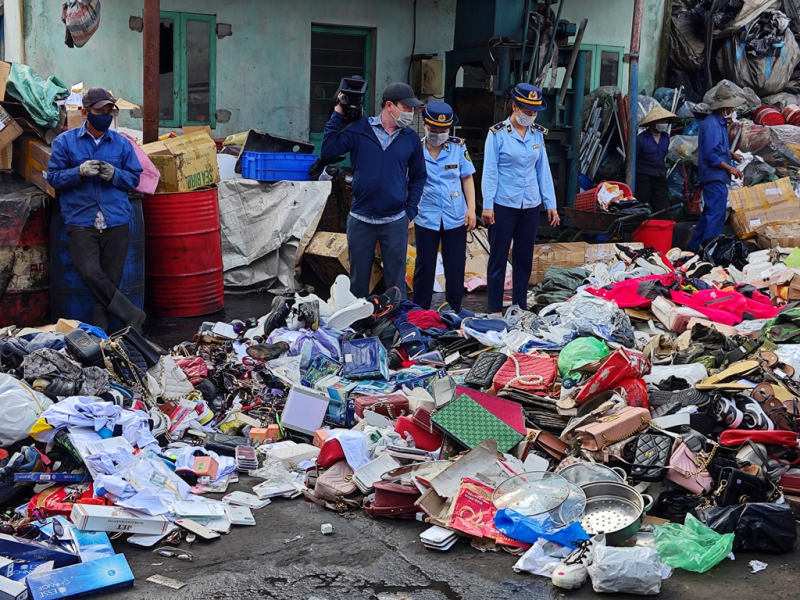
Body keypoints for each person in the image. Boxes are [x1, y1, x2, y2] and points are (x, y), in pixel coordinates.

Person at [47, 87, 145, 332]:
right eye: (100, 111)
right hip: (81, 221)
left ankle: (101, 340)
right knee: (91, 274)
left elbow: (134, 178)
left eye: (109, 112)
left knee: (108, 282)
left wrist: (115, 174)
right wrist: (78, 172)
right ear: (85, 113)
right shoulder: (65, 142)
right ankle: (132, 314)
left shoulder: (122, 144)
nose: (106, 116)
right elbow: (54, 178)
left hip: (116, 220)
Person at [320, 82, 426, 299]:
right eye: (406, 108)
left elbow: (418, 176)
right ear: (389, 106)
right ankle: (359, 319)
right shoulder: (360, 130)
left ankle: (396, 318)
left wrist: (410, 211)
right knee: (358, 283)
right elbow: (328, 151)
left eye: (412, 108)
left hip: (395, 220)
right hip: (361, 219)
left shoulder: (410, 138)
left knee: (396, 285)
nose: (411, 112)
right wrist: (338, 113)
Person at [482, 83, 559, 314]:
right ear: (515, 107)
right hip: (504, 203)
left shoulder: (537, 133)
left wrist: (551, 204)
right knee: (498, 257)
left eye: (534, 111)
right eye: (527, 110)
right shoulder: (497, 134)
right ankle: (495, 309)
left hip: (530, 204)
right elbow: (490, 171)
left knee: (524, 258)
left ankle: (519, 307)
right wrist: (487, 205)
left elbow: (542, 170)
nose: (531, 115)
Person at [412, 102, 476, 313]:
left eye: (443, 131)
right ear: (425, 125)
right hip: (426, 215)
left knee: (455, 267)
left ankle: (454, 312)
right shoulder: (416, 148)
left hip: (455, 216)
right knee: (424, 267)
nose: (439, 134)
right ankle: (420, 312)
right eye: (434, 130)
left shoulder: (458, 147)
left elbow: (467, 177)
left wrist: (471, 209)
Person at [689, 87, 744, 252]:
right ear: (724, 107)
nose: (733, 109)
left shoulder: (719, 123)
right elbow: (710, 155)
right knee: (716, 216)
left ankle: (693, 248)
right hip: (714, 176)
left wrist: (731, 154)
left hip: (717, 176)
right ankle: (708, 251)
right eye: (731, 106)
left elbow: (718, 147)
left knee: (709, 214)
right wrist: (730, 168)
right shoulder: (712, 125)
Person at [635, 105, 678, 213]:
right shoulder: (640, 139)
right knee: (642, 207)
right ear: (652, 123)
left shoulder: (665, 137)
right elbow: (632, 158)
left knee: (663, 208)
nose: (664, 123)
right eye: (661, 121)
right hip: (643, 177)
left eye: (665, 121)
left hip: (659, 176)